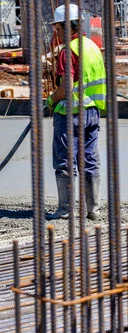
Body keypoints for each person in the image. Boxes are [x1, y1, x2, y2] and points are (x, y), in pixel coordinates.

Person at [46, 4, 106, 220]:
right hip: (91, 112)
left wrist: (51, 100)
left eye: (58, 27)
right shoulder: (91, 46)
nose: (56, 32)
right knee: (89, 159)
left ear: (66, 25)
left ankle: (65, 210)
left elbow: (67, 87)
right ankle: (94, 209)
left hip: (70, 114)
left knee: (65, 160)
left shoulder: (68, 50)